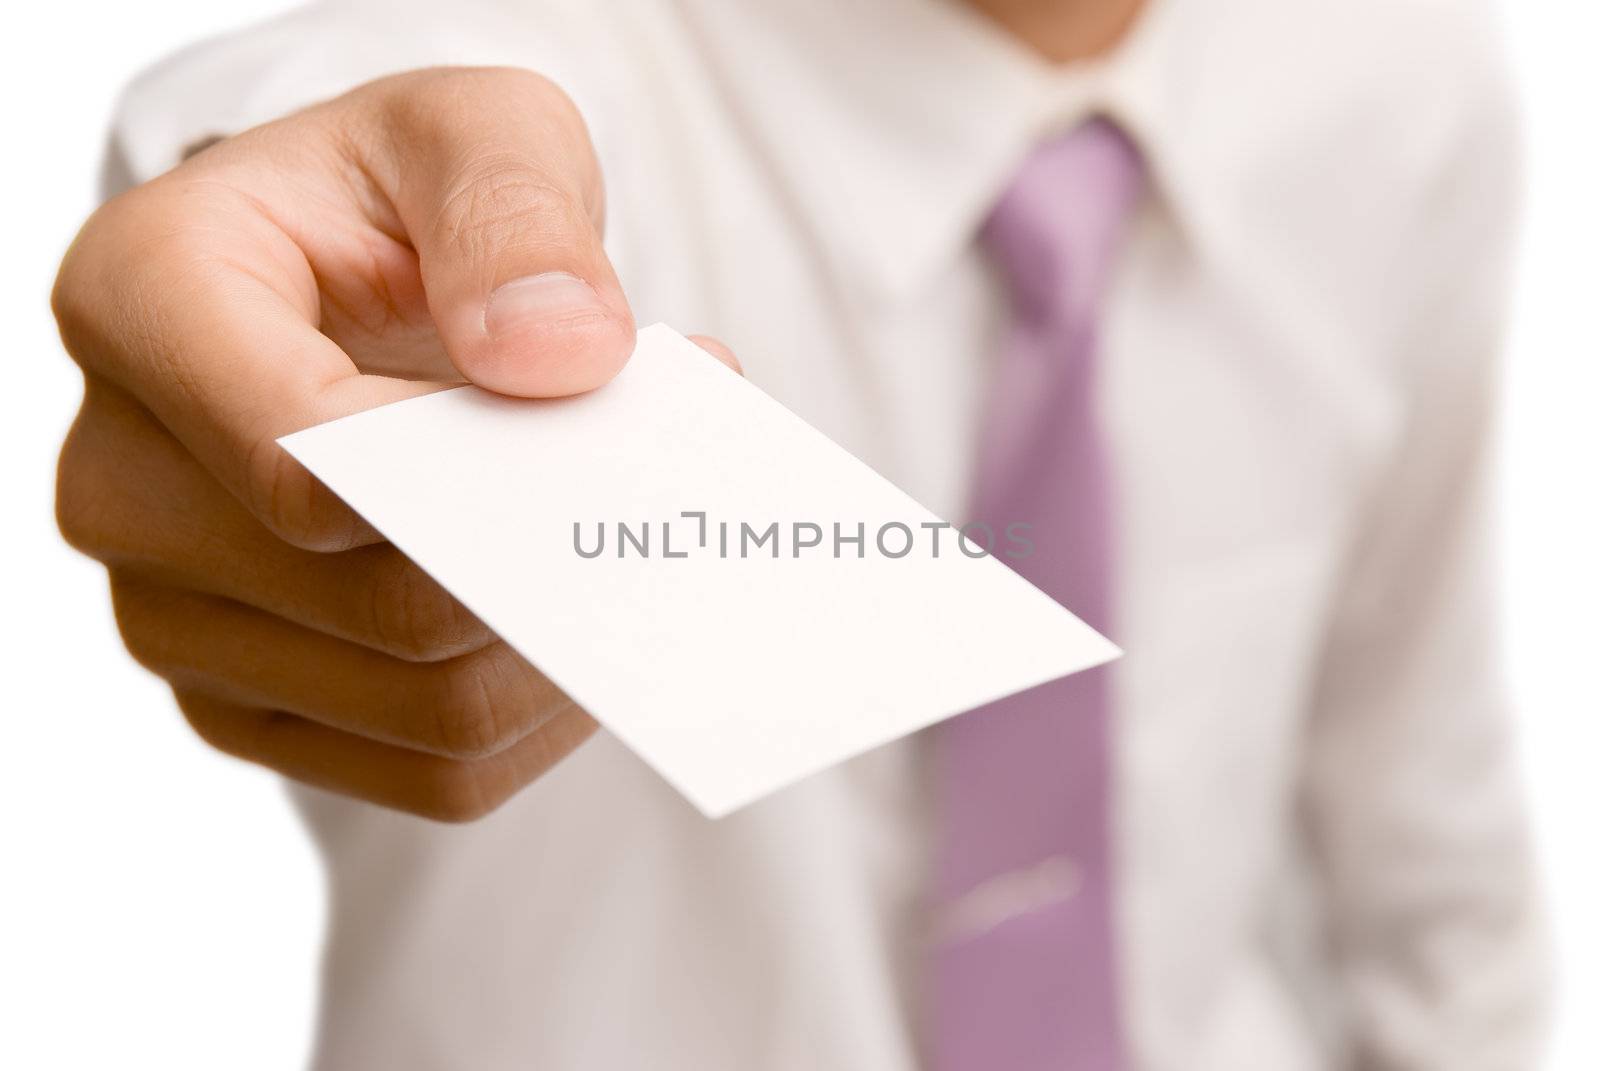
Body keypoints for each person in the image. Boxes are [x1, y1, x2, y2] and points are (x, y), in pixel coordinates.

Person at [52, 0, 1547, 1067]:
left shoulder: (1402, 79)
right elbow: (344, 124)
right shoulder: (563, 59)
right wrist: (241, 221)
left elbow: (1419, 793)